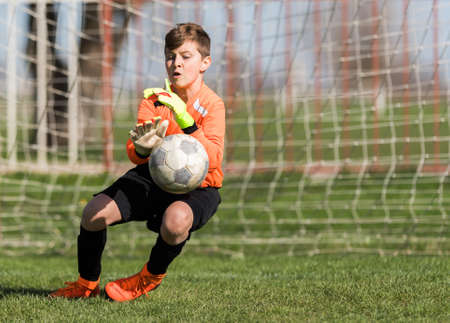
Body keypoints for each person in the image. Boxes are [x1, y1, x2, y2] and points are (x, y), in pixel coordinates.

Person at [50, 23, 225, 302]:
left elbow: (214, 159)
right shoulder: (154, 101)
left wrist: (185, 120)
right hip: (152, 177)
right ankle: (85, 284)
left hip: (200, 186)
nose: (176, 63)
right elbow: (134, 153)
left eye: (185, 56)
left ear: (205, 63)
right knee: (93, 214)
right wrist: (142, 150)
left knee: (176, 221)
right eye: (170, 56)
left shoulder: (213, 104)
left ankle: (149, 277)